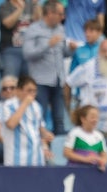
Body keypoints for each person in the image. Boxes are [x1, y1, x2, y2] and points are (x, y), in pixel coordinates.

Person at [22, 0, 77, 136]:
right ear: (50, 13)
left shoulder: (60, 28)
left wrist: (70, 49)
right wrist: (47, 44)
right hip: (40, 81)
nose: (62, 17)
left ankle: (59, 148)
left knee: (59, 119)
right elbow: (27, 54)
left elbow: (63, 53)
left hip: (58, 79)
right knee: (39, 117)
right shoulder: (33, 29)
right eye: (60, 14)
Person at [65, 38, 107, 135]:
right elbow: (68, 83)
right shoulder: (88, 67)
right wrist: (69, 109)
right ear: (99, 51)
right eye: (104, 51)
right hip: (93, 127)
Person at [1, 75, 54, 166]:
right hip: (15, 159)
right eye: (29, 90)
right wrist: (24, 104)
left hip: (36, 158)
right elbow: (11, 124)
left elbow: (40, 128)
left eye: (34, 91)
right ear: (18, 91)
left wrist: (46, 134)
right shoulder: (8, 105)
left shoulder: (37, 106)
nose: (32, 94)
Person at [0, 0, 42, 78]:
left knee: (29, 82)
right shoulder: (5, 6)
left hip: (29, 51)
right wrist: (20, 9)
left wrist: (36, 4)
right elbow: (8, 23)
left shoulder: (30, 4)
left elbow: (39, 22)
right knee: (10, 80)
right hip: (10, 50)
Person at [63, 105, 107, 170]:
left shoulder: (99, 136)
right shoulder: (75, 133)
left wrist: (102, 161)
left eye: (97, 117)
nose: (95, 120)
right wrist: (85, 159)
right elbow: (67, 153)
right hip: (75, 169)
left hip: (93, 171)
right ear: (83, 119)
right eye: (92, 117)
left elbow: (104, 155)